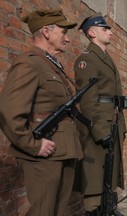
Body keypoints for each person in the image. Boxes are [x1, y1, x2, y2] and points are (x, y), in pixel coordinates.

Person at [0, 8, 81, 216]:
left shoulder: (51, 65)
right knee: (43, 211)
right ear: (46, 32)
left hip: (62, 150)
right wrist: (33, 145)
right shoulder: (29, 63)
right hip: (45, 154)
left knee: (59, 211)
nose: (67, 39)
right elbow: (9, 112)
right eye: (63, 33)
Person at [74, 13, 127, 214]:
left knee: (110, 169)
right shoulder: (87, 60)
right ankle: (94, 210)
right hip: (99, 124)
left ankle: (109, 207)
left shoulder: (105, 58)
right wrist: (100, 130)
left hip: (112, 120)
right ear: (92, 32)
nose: (111, 32)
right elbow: (87, 100)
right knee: (96, 172)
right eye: (105, 29)